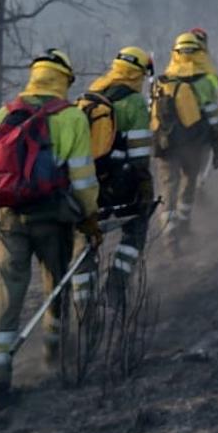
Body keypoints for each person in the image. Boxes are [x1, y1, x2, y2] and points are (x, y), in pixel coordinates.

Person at [0, 49, 101, 410]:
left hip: (8, 220)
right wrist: (89, 217)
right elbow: (82, 177)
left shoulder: (6, 112)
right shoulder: (71, 117)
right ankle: (53, 353)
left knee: (5, 299)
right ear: (64, 79)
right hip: (52, 219)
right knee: (55, 288)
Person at [71, 46, 155, 313]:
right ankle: (116, 283)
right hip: (119, 186)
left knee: (84, 240)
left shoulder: (89, 96)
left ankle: (84, 303)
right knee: (136, 227)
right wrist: (145, 191)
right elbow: (140, 155)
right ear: (139, 73)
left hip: (85, 186)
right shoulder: (134, 102)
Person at [150, 31, 218, 252]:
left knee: (167, 188)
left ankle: (169, 234)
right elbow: (213, 117)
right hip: (192, 144)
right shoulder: (203, 82)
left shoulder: (162, 81)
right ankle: (184, 224)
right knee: (189, 182)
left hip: (164, 145)